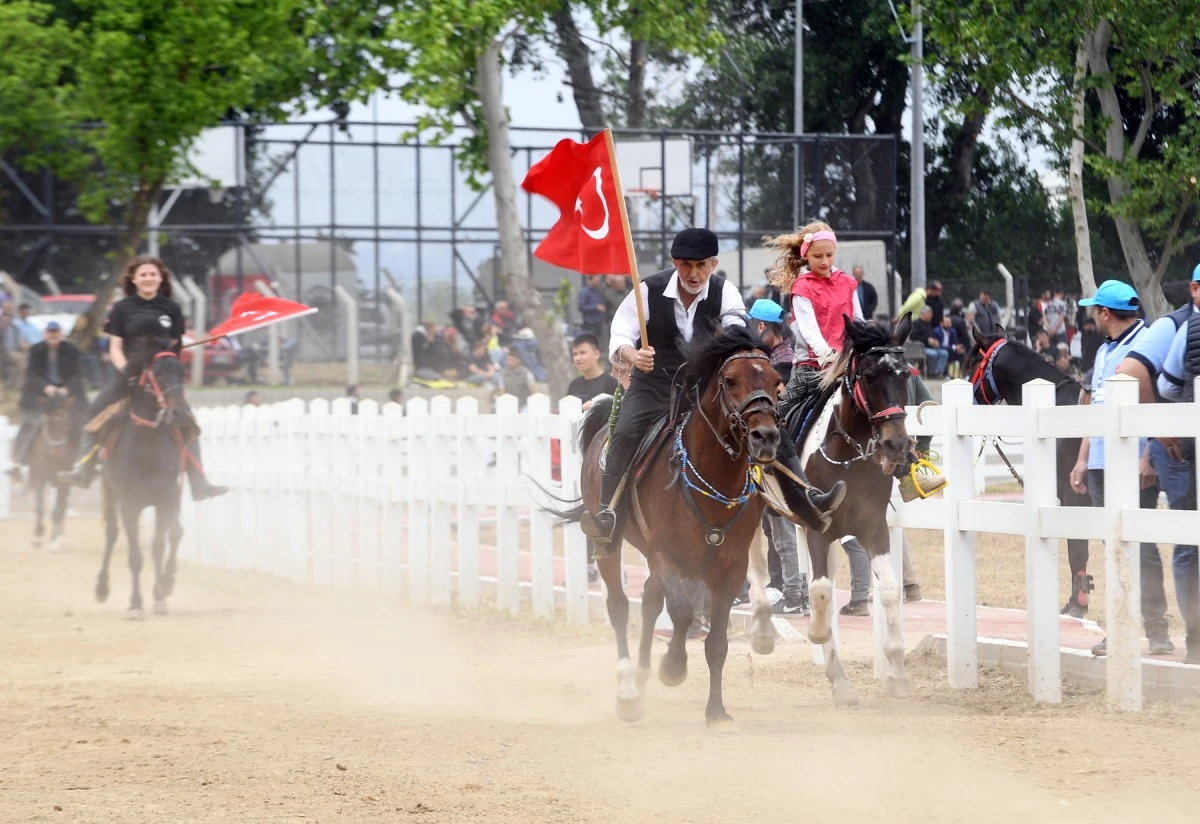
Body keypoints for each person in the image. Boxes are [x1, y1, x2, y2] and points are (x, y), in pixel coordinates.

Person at [579, 227, 846, 543]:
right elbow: (620, 333)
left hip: (702, 388)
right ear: (675, 263)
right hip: (651, 387)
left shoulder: (726, 292)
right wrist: (633, 355)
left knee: (767, 422)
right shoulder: (647, 290)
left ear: (713, 265)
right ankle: (608, 514)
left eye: (702, 265)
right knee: (624, 432)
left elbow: (736, 332)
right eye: (686, 265)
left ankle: (806, 499)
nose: (694, 273)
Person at [57, 255, 227, 501]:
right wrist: (126, 370)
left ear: (160, 279)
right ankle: (83, 468)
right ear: (134, 280)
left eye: (153, 274)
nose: (148, 278)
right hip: (130, 370)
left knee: (187, 420)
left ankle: (199, 482)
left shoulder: (172, 308)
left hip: (163, 372)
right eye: (143, 274)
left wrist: (170, 367)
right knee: (95, 411)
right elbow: (115, 347)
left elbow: (175, 346)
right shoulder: (122, 308)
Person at [1067, 280, 1172, 657]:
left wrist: (1148, 456)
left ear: (1105, 313)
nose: (1092, 315)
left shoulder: (1145, 347)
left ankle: (1157, 631)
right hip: (1100, 464)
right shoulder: (1104, 352)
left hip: (1131, 462)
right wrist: (1083, 458)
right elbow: (1095, 407)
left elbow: (1154, 402)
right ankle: (1121, 629)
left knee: (1140, 547)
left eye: (1095, 309)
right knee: (1112, 548)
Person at [1151, 264, 1200, 664]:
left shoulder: (1185, 328)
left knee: (1188, 538)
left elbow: (1166, 385)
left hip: (1190, 447)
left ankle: (1196, 640)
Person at [9, 321, 87, 477]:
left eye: (56, 331)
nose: (53, 335)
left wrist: (67, 389)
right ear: (45, 334)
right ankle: (19, 461)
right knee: (30, 423)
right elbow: (31, 375)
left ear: (61, 333)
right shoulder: (36, 350)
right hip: (41, 394)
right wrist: (46, 387)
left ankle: (83, 461)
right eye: (50, 332)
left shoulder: (72, 350)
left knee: (81, 423)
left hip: (66, 393)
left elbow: (78, 375)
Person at [566, 333, 618, 409]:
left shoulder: (611, 384)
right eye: (575, 354)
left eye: (582, 353)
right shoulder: (573, 385)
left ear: (596, 354)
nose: (578, 358)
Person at [910, 306, 948, 377]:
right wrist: (927, 340)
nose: (932, 316)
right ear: (924, 313)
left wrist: (935, 341)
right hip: (920, 348)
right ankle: (931, 372)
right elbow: (913, 337)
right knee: (933, 354)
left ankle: (938, 372)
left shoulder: (929, 324)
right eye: (930, 313)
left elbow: (931, 335)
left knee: (944, 353)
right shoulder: (916, 323)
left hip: (931, 347)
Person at [576, 276, 608, 342]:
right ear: (590, 280)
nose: (598, 283)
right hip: (589, 323)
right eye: (596, 281)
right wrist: (596, 307)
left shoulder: (598, 291)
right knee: (589, 342)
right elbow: (581, 307)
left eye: (598, 281)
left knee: (598, 342)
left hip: (599, 322)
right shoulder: (584, 292)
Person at [934, 314, 964, 378]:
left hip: (951, 351)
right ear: (941, 323)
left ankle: (964, 373)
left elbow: (955, 343)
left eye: (950, 323)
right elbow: (939, 345)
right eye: (947, 323)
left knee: (962, 353)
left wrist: (958, 347)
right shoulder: (937, 331)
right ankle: (943, 373)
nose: (949, 325)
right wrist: (954, 347)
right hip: (940, 350)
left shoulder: (952, 331)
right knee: (945, 353)